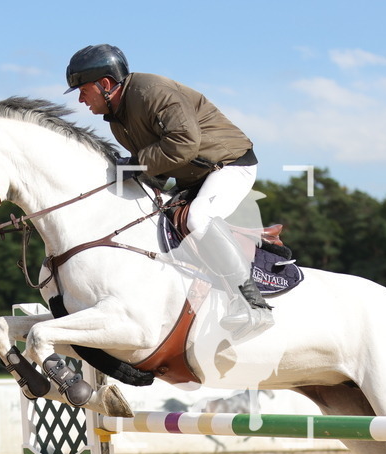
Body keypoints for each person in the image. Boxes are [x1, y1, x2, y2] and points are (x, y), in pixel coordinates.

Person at [65, 44, 273, 337]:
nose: (80, 98)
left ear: (106, 84)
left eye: (83, 90)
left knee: (199, 218)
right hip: (193, 178)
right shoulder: (118, 119)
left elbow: (183, 144)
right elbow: (157, 166)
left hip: (229, 165)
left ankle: (253, 304)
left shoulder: (153, 92)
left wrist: (135, 165)